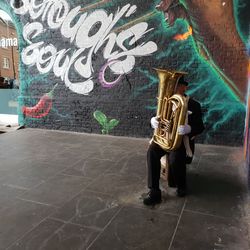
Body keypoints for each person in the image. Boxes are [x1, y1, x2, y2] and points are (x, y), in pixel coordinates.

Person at [143, 76, 204, 206]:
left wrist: (189, 128)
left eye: (177, 86)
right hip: (164, 139)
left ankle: (181, 186)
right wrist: (152, 121)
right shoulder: (166, 102)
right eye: (172, 86)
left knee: (175, 158)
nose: (173, 89)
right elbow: (157, 116)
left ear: (184, 87)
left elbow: (200, 127)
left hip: (181, 142)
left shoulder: (194, 104)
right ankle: (154, 191)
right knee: (152, 151)